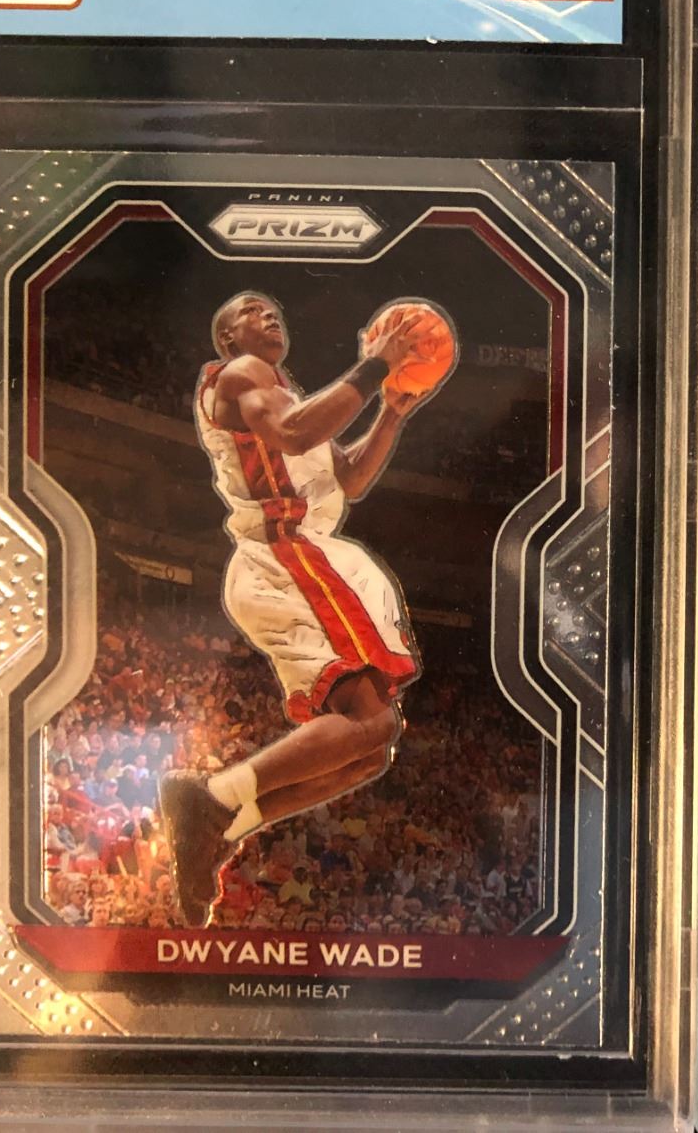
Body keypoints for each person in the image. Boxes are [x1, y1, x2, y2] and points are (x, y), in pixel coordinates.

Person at [159, 291, 442, 927]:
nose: (269, 316)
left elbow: (350, 479)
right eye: (250, 311)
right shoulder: (240, 376)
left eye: (273, 310)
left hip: (295, 561)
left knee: (371, 749)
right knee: (371, 724)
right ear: (227, 338)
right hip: (285, 555)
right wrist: (377, 364)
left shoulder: (289, 395)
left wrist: (390, 413)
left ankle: (228, 823)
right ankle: (209, 797)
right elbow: (294, 433)